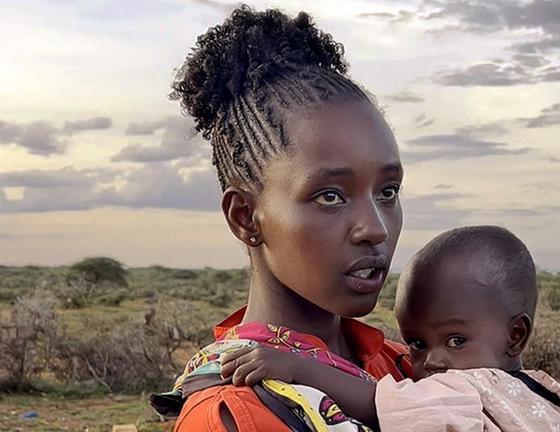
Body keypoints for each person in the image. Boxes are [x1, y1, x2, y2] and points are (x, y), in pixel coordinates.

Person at [149, 6, 411, 431]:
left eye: (387, 192)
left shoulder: (401, 367)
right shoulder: (231, 415)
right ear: (246, 217)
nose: (376, 228)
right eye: (330, 196)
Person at [222, 226, 560, 431]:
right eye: (417, 343)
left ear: (516, 335)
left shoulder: (468, 387)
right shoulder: (533, 394)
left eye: (456, 340)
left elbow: (376, 402)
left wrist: (297, 366)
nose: (433, 361)